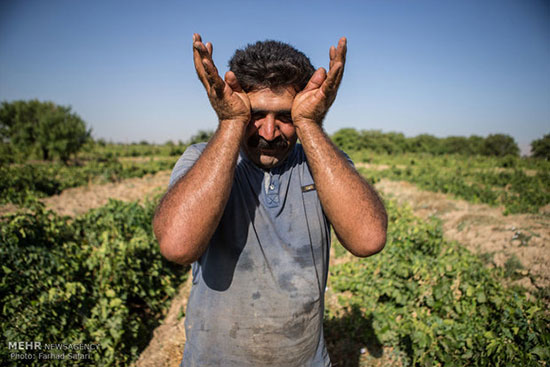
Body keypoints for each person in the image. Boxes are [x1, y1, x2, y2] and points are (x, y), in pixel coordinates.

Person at [153, 33, 388, 367]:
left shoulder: (321, 164)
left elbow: (368, 239)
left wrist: (310, 123)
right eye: (256, 114)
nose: (268, 132)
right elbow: (177, 246)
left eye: (286, 116)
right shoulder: (202, 160)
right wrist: (232, 122)